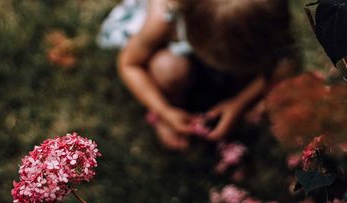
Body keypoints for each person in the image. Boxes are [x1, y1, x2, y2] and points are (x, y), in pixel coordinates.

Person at [112, 0, 296, 150]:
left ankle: (242, 85)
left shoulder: (265, 17)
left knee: (281, 68)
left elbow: (284, 61)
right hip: (162, 44)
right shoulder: (162, 18)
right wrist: (163, 111)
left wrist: (239, 103)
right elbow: (129, 64)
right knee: (168, 69)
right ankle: (172, 108)